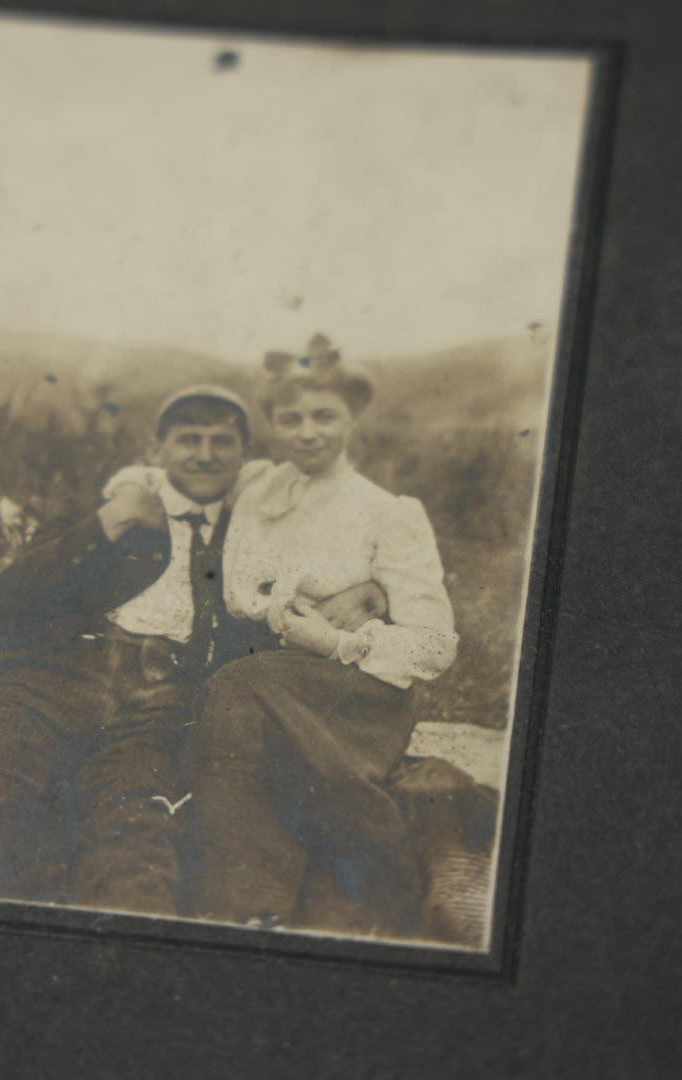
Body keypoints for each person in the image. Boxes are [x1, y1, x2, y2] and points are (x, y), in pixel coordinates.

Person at [0, 385, 383, 917]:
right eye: (188, 439)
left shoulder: (254, 534)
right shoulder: (108, 504)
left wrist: (368, 594)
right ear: (156, 448)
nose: (205, 454)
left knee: (137, 849)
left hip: (159, 707)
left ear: (245, 454)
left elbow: (302, 598)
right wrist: (109, 526)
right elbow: (13, 598)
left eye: (221, 441)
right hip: (43, 679)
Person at [182, 334, 459, 935]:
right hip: (257, 683)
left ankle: (246, 905)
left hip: (351, 689)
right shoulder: (255, 488)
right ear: (273, 425)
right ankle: (295, 894)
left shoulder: (388, 511)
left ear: (351, 419)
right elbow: (174, 478)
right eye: (291, 419)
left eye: (324, 416)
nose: (308, 432)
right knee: (238, 705)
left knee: (237, 692)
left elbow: (435, 646)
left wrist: (339, 641)